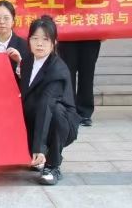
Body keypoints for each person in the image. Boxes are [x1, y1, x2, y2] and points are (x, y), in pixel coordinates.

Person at [20, 15, 80, 186]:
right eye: (35, 38)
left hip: (60, 123)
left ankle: (53, 166)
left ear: (54, 43)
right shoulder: (27, 61)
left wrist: (39, 147)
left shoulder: (57, 69)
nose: (39, 44)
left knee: (56, 111)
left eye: (45, 39)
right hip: (36, 116)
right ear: (29, 40)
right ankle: (35, 155)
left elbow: (46, 105)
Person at [55, 0, 100, 127]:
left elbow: (105, 1)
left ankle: (85, 112)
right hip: (67, 30)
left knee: (87, 71)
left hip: (90, 29)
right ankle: (69, 109)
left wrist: (105, 29)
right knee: (68, 70)